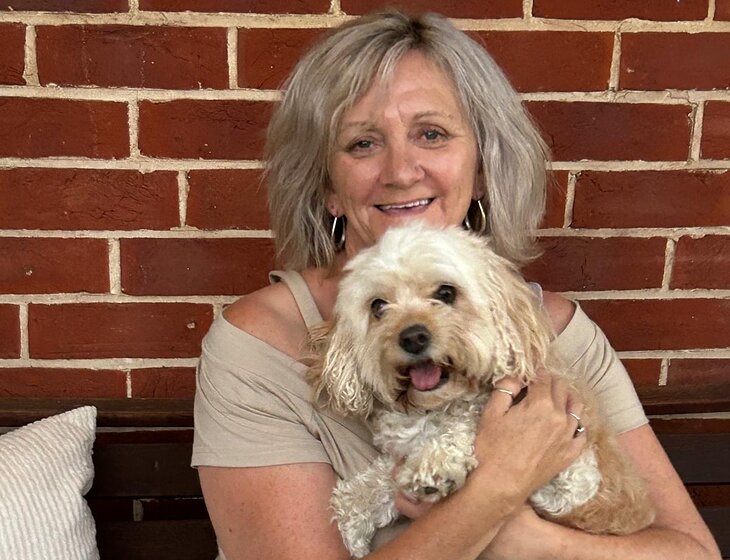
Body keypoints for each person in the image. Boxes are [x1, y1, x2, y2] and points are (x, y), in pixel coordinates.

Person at [192, 10, 721, 560]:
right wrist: (498, 488)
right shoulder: (256, 350)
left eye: (432, 134)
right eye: (362, 144)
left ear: (483, 167)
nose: (401, 171)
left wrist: (531, 541)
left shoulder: (558, 331)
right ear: (327, 187)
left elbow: (693, 554)